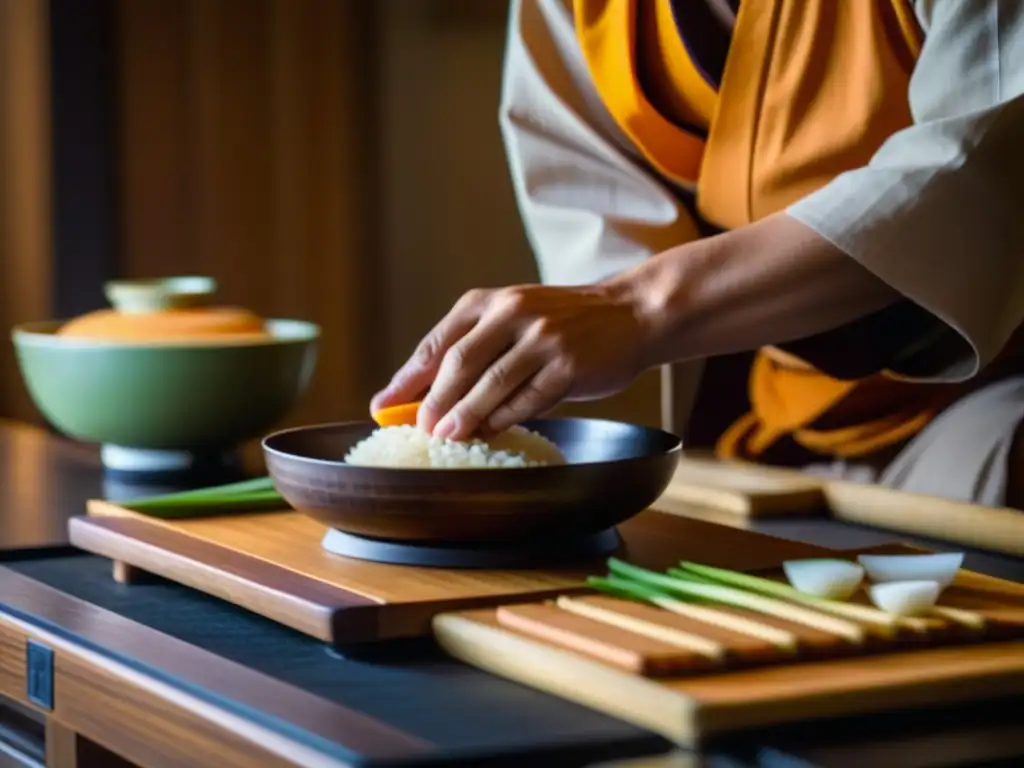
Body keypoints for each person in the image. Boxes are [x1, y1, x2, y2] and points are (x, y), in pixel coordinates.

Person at [372, 0, 1024, 507]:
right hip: (762, 421)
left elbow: (973, 171)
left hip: (993, 400)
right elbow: (590, 210)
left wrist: (637, 308)